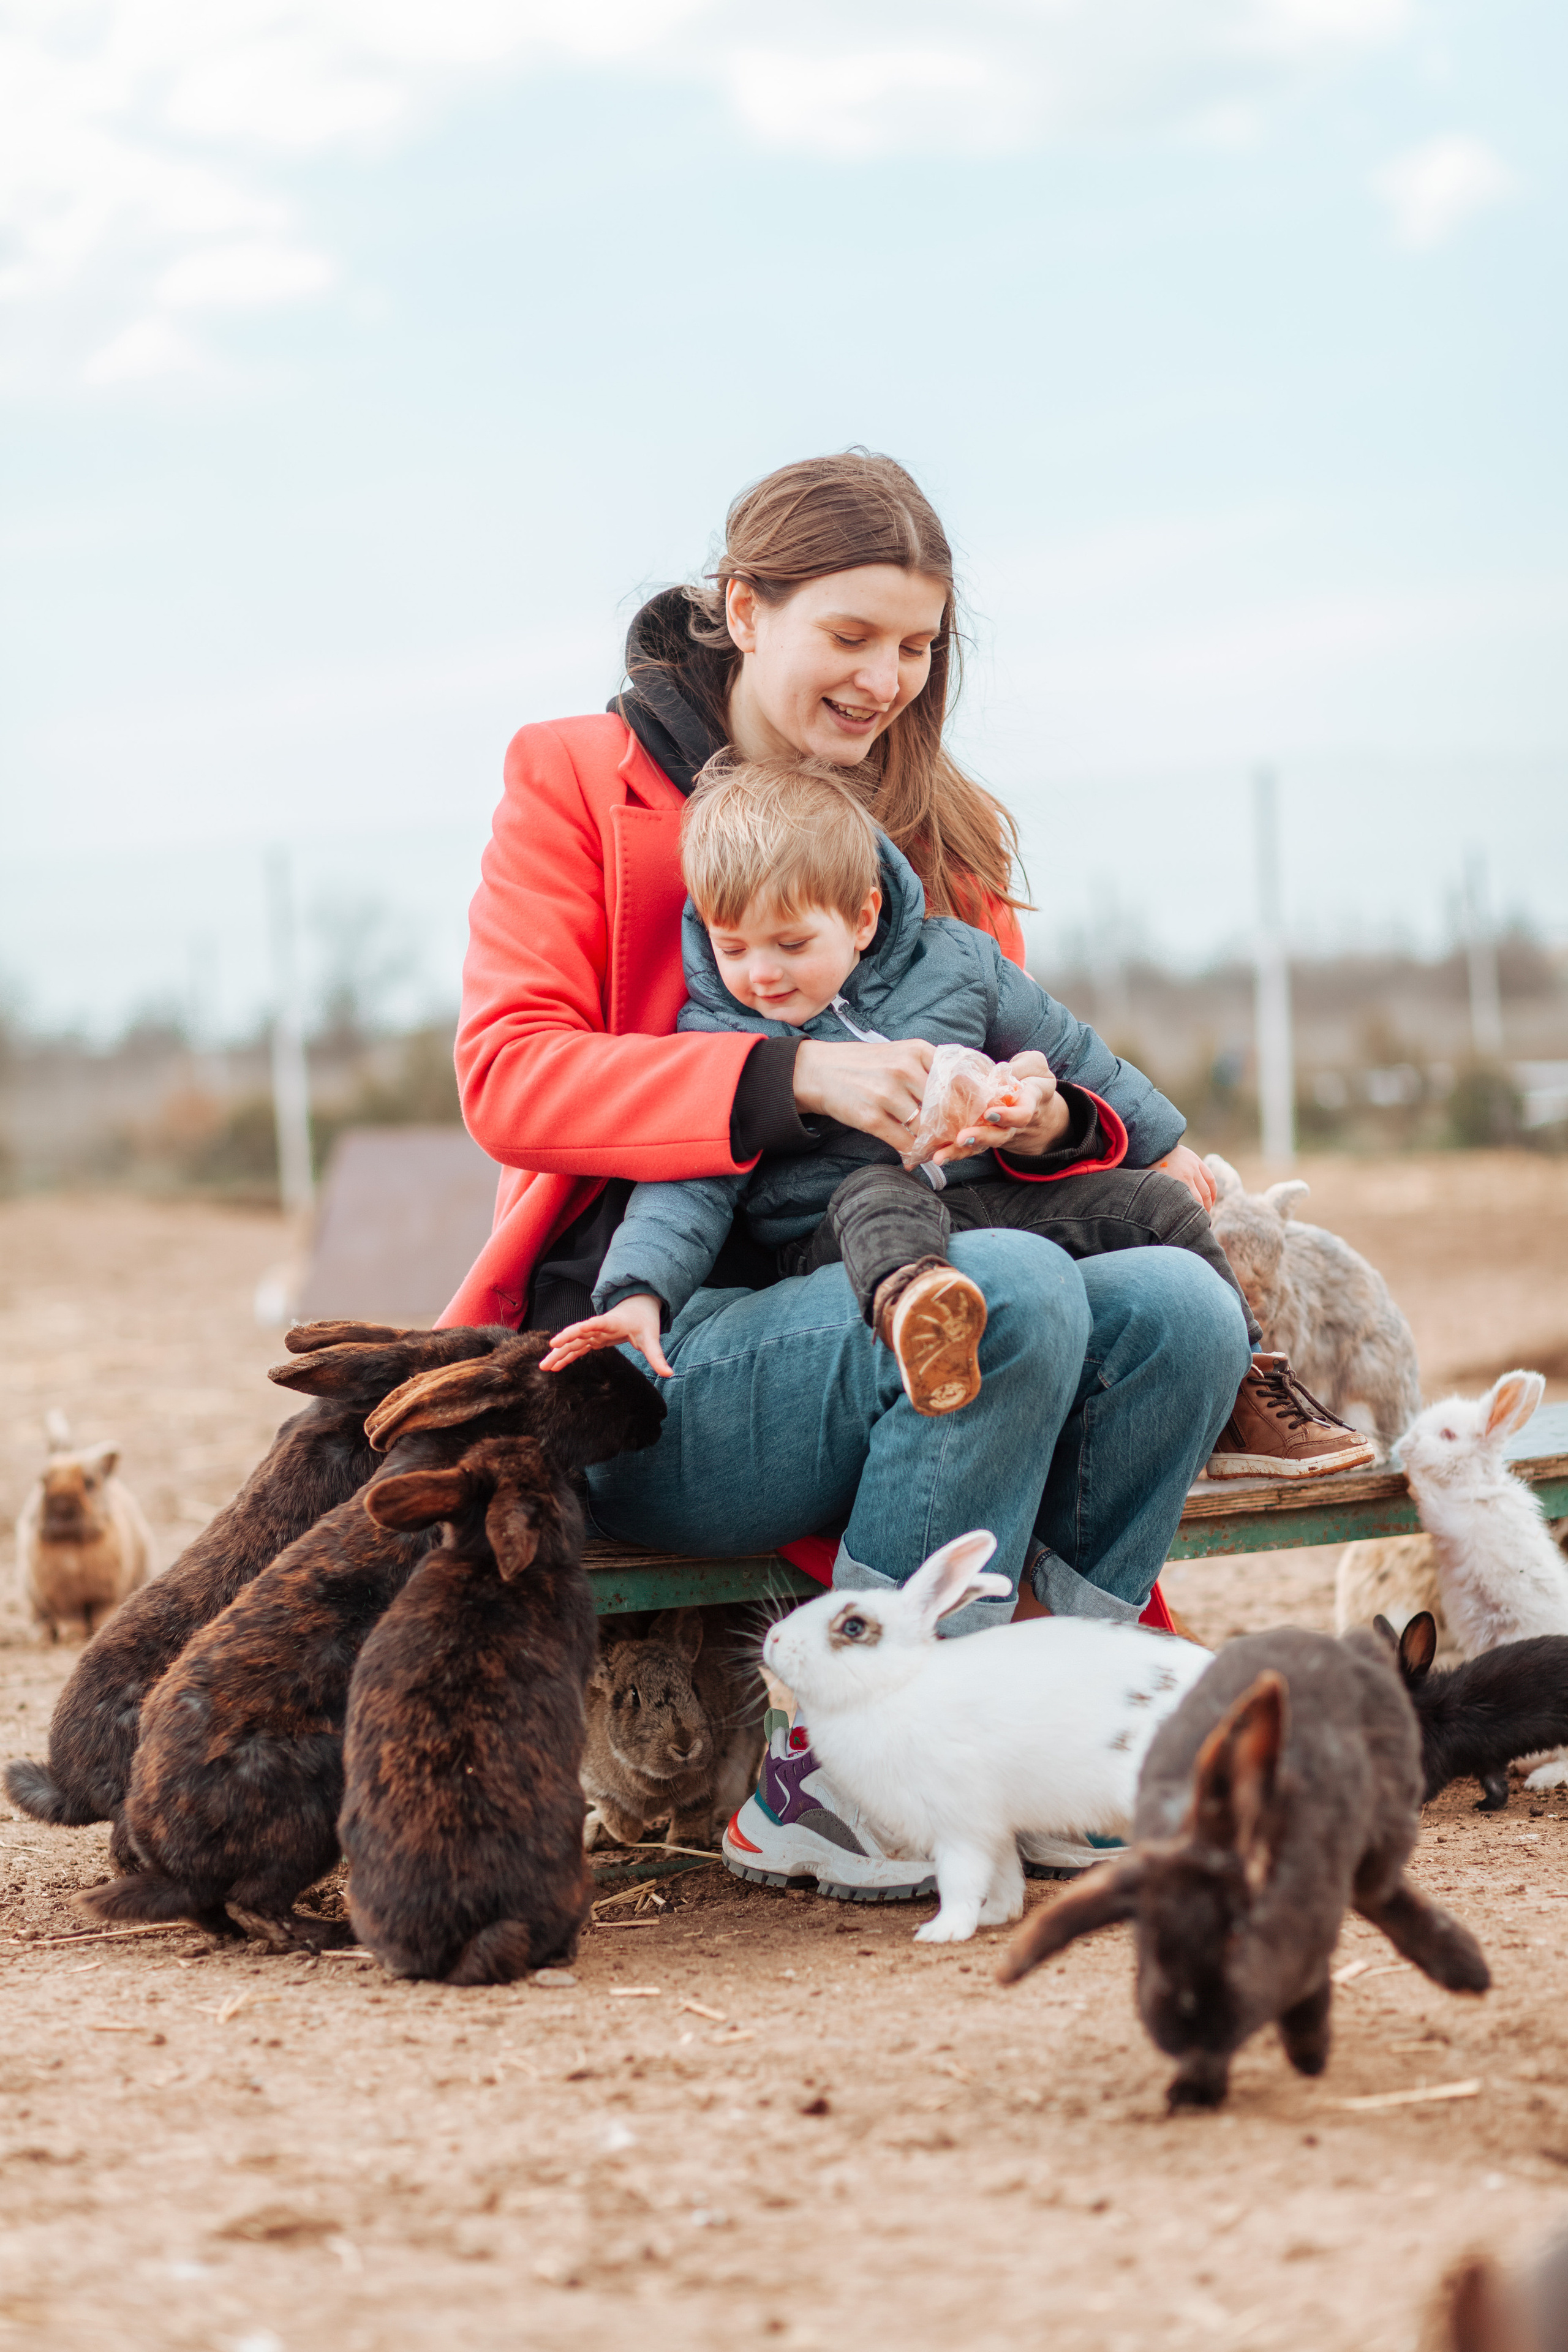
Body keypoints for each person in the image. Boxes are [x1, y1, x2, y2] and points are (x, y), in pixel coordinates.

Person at [442, 450, 1318, 1899]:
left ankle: (1050, 1732)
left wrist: (1033, 1122)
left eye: (914, 646)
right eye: (847, 637)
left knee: (1173, 1296)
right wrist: (790, 1080)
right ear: (741, 608)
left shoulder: (938, 828)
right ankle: (835, 1780)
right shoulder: (576, 783)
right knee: (1013, 1284)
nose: (884, 679)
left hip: (925, 1291)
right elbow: (510, 1076)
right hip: (665, 1345)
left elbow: (1030, 1083)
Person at [541, 756, 1367, 1479]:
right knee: (875, 1187)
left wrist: (1160, 1143)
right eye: (733, 947)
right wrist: (639, 1293)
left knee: (1157, 1210)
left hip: (980, 1202)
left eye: (790, 945)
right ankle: (923, 1319)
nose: (759, 974)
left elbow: (1071, 1049)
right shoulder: (722, 1031)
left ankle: (1249, 1391)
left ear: (863, 917)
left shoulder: (960, 962)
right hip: (841, 1239)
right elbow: (685, 1187)